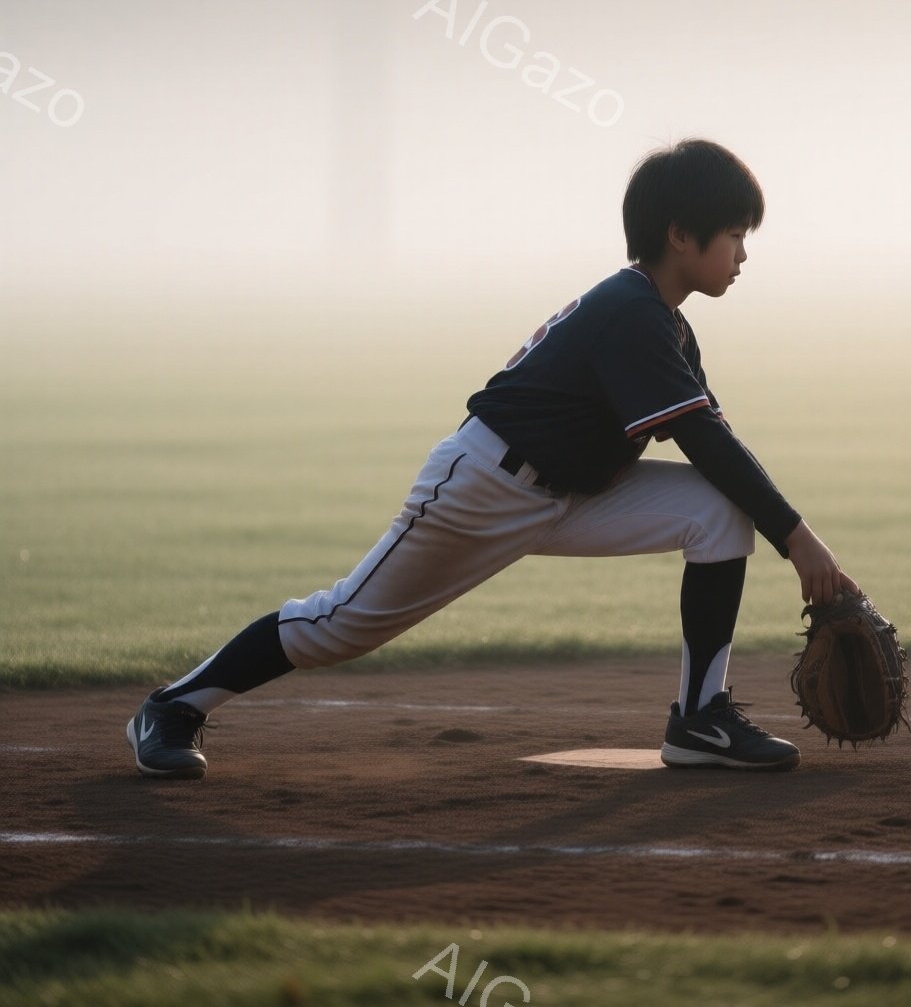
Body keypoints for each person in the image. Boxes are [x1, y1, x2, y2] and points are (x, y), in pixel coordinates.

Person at [126, 137, 857, 780]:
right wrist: (799, 539)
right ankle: (172, 708)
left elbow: (716, 445)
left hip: (576, 494)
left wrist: (787, 530)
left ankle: (700, 720)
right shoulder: (630, 313)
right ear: (680, 235)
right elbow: (705, 440)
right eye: (733, 235)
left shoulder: (665, 324)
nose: (744, 255)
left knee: (716, 509)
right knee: (339, 625)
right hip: (482, 488)